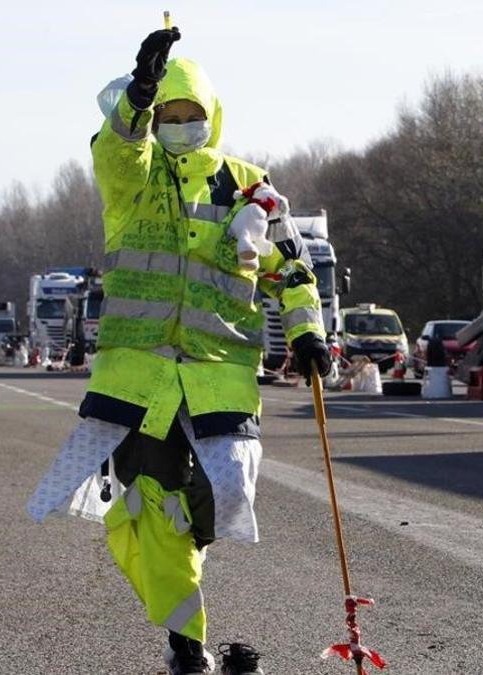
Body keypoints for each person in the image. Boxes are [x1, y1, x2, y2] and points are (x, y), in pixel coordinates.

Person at [27, 25, 332, 675]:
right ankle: (188, 645)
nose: (183, 124)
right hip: (138, 386)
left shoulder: (250, 188)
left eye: (192, 114)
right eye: (171, 114)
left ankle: (176, 596)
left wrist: (308, 332)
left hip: (222, 383)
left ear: (212, 116)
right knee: (152, 507)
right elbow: (116, 150)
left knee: (221, 503)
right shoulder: (134, 184)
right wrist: (137, 96)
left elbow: (293, 270)